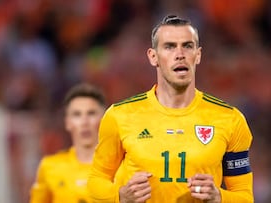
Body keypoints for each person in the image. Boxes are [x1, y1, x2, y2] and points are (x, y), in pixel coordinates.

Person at [87, 14, 254, 203]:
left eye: (187, 46)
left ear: (197, 55)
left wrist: (219, 197)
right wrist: (119, 197)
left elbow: (244, 196)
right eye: (169, 46)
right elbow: (96, 180)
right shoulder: (119, 116)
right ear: (153, 57)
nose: (180, 54)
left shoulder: (230, 119)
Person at [30, 83, 106, 203]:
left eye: (91, 113)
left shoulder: (118, 167)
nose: (84, 122)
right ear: (68, 122)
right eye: (77, 114)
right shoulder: (50, 167)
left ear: (103, 119)